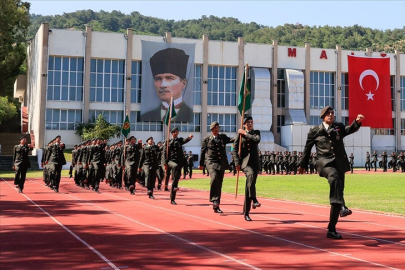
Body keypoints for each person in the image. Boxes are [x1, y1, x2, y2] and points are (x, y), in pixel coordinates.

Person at [298, 106, 364, 239]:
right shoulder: (315, 131)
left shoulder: (338, 126)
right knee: (334, 179)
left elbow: (349, 129)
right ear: (323, 117)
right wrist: (302, 165)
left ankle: (331, 229)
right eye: (328, 114)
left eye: (332, 113)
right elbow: (307, 148)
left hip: (339, 163)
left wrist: (357, 122)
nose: (331, 115)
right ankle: (343, 206)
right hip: (325, 163)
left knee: (337, 193)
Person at [141, 48, 193, 122]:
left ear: (183, 83)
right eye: (158, 79)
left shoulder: (191, 115)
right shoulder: (146, 117)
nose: (163, 85)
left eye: (169, 78)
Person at [199, 121, 235, 213]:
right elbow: (203, 152)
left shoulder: (222, 137)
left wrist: (240, 135)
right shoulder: (206, 139)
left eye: (218, 127)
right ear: (211, 129)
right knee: (214, 178)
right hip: (210, 162)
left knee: (219, 184)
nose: (217, 129)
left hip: (221, 163)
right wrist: (201, 164)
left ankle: (216, 205)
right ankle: (214, 199)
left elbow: (232, 140)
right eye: (215, 128)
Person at [232, 116, 261, 221]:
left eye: (251, 122)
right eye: (248, 122)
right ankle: (254, 199)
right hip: (245, 163)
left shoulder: (256, 132)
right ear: (244, 124)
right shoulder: (239, 135)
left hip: (255, 163)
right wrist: (237, 163)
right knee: (250, 175)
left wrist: (246, 134)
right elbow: (234, 150)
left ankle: (246, 212)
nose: (250, 123)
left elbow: (256, 140)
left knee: (249, 186)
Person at [162, 127, 193, 204]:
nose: (176, 133)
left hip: (178, 162)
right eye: (175, 132)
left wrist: (189, 138)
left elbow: (184, 140)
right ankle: (171, 184)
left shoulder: (179, 140)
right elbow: (164, 153)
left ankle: (172, 198)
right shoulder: (168, 141)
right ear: (172, 133)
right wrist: (165, 163)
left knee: (176, 180)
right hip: (170, 161)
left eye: (177, 132)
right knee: (175, 167)